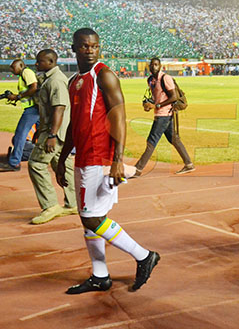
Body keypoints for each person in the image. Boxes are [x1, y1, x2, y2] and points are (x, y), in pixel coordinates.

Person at [56, 28, 159, 294]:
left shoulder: (104, 75)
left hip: (99, 157)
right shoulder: (74, 81)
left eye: (94, 46)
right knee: (88, 217)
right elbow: (74, 125)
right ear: (74, 48)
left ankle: (144, 256)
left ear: (98, 48)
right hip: (83, 156)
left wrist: (117, 160)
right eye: (84, 46)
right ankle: (100, 275)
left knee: (92, 218)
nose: (89, 50)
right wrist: (62, 157)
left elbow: (119, 118)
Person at [27, 49, 77, 224]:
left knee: (36, 164)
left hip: (54, 132)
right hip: (56, 131)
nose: (36, 64)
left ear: (50, 61)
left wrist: (52, 135)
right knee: (62, 164)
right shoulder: (50, 78)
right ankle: (73, 203)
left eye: (40, 61)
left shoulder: (55, 81)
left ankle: (50, 205)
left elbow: (59, 108)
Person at [133, 57, 194, 177]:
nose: (153, 67)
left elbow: (174, 97)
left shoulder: (165, 78)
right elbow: (156, 97)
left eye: (156, 65)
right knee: (174, 139)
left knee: (151, 141)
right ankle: (188, 164)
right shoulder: (150, 80)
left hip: (164, 115)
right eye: (151, 65)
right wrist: (148, 104)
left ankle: (138, 169)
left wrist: (157, 105)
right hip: (161, 113)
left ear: (160, 66)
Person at [0, 59, 40, 171]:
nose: (11, 70)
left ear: (21, 65)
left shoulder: (26, 72)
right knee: (43, 135)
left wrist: (17, 97)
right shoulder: (24, 74)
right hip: (37, 109)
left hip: (32, 110)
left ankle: (14, 163)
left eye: (13, 67)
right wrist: (15, 97)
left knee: (20, 135)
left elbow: (34, 87)